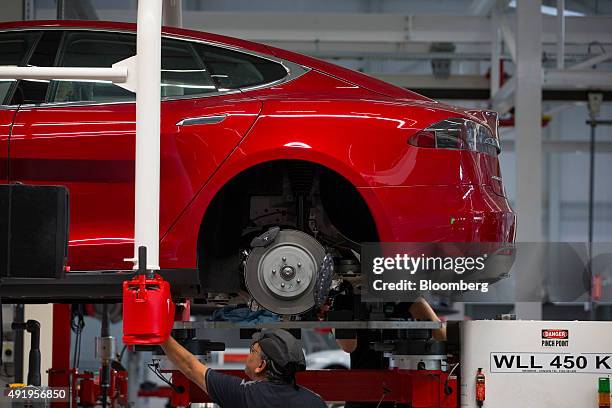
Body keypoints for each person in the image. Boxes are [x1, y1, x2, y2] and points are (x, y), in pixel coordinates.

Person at [161, 328, 327, 408]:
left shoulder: (246, 395)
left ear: (261, 366)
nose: (248, 356)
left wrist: (159, 334)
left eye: (252, 351)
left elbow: (190, 366)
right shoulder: (315, 401)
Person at [335, 297, 447, 407]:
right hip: (373, 392)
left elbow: (441, 336)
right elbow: (348, 346)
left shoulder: (343, 299)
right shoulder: (344, 299)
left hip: (390, 391)